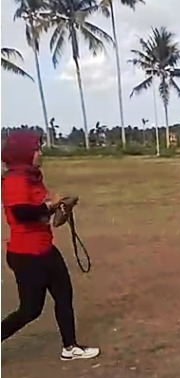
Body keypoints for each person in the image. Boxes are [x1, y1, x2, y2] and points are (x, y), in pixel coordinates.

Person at [1, 130, 100, 361]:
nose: (40, 153)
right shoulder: (15, 180)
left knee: (64, 294)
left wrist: (61, 207)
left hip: (45, 249)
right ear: (24, 153)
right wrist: (50, 207)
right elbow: (22, 213)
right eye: (36, 149)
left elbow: (45, 211)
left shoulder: (32, 177)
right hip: (27, 255)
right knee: (30, 310)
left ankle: (70, 347)